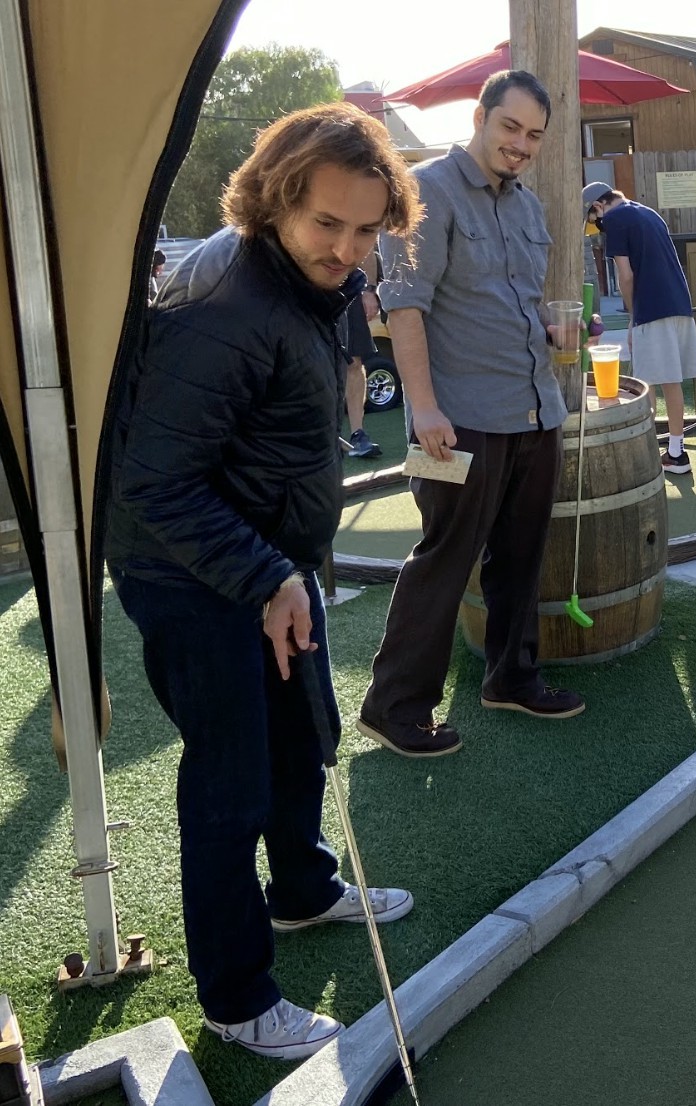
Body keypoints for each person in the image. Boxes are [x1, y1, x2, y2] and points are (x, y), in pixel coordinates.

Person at [105, 103, 422, 1059]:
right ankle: (236, 1000)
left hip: (267, 564)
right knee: (229, 785)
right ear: (277, 199)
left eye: (367, 227)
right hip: (195, 576)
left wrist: (283, 568)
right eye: (328, 223)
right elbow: (152, 482)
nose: (349, 247)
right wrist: (264, 575)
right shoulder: (225, 307)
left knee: (297, 739)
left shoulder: (309, 285)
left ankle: (302, 891)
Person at [358, 69, 584, 758]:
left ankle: (511, 677)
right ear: (482, 117)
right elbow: (405, 307)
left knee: (521, 556)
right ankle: (393, 707)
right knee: (445, 560)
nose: (520, 145)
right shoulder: (426, 192)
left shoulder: (527, 206)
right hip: (459, 424)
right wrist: (422, 408)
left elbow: (517, 300)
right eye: (510, 127)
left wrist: (553, 331)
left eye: (533, 136)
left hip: (532, 410)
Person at [583, 184, 696, 474]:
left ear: (598, 207)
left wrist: (633, 315)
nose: (597, 228)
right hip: (679, 304)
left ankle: (651, 452)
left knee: (646, 382)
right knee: (671, 382)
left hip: (651, 308)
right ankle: (676, 451)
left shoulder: (615, 220)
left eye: (593, 220)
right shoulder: (649, 214)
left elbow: (626, 276)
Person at [340, 249, 383, 458]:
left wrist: (368, 290)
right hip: (305, 287)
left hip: (346, 288)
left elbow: (367, 250)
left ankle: (358, 434)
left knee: (354, 363)